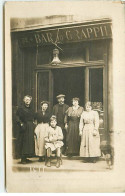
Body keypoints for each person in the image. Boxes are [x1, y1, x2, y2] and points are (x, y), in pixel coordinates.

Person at [16, 95, 35, 164]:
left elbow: (33, 117)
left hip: (30, 126)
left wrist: (33, 124)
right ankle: (22, 158)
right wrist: (20, 123)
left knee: (28, 142)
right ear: (24, 100)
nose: (28, 101)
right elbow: (17, 117)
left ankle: (26, 157)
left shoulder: (31, 108)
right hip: (23, 126)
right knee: (23, 141)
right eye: (26, 99)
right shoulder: (20, 108)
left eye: (29, 100)